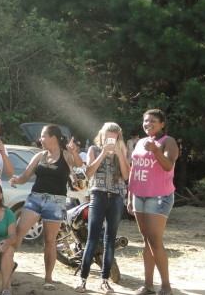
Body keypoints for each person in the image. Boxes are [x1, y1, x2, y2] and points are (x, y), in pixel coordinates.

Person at [9, 124, 83, 291]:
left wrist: (74, 152)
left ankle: (48, 278)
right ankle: (8, 268)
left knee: (49, 241)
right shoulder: (39, 156)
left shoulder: (66, 155)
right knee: (19, 231)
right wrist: (15, 180)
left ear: (53, 138)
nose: (40, 139)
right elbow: (25, 176)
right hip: (35, 198)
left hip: (56, 202)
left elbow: (80, 166)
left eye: (43, 136)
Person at [74, 123, 130, 294]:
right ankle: (83, 280)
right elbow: (88, 173)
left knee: (110, 240)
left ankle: (104, 280)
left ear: (118, 136)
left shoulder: (122, 150)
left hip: (116, 197)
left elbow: (126, 175)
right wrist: (104, 152)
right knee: (91, 239)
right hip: (98, 195)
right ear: (102, 135)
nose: (111, 138)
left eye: (115, 135)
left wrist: (119, 153)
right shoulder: (94, 149)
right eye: (108, 135)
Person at [128, 109, 178, 295]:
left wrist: (156, 150)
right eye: (146, 121)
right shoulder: (140, 142)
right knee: (146, 241)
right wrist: (129, 195)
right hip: (139, 195)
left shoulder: (168, 141)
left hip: (159, 196)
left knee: (155, 240)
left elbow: (168, 166)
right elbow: (134, 169)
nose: (148, 123)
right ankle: (148, 286)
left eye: (153, 121)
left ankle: (166, 286)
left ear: (162, 124)